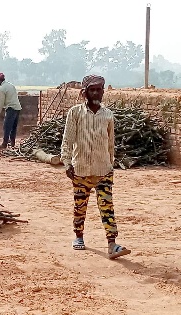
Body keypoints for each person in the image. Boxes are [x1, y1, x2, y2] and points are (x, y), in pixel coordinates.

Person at [60, 74, 132, 260]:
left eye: (98, 89)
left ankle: (112, 244)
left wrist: (110, 164)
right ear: (84, 92)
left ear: (103, 91)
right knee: (80, 205)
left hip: (103, 170)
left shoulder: (108, 115)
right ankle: (78, 236)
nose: (95, 93)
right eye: (91, 89)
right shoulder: (75, 113)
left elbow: (110, 143)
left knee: (107, 206)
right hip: (80, 169)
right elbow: (67, 140)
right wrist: (67, 163)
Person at [0, 72, 22, 149]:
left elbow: (1, 103)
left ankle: (4, 143)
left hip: (11, 108)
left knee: (6, 126)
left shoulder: (2, 88)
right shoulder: (11, 86)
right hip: (17, 108)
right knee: (13, 127)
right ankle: (12, 143)